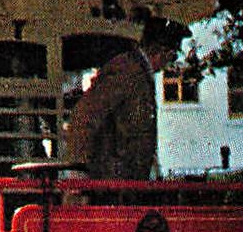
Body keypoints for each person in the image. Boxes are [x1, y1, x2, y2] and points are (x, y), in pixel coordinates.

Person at [63, 16, 188, 181]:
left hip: (124, 181)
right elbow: (85, 115)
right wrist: (78, 172)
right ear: (162, 51)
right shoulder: (126, 71)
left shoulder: (137, 73)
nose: (169, 64)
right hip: (110, 182)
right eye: (172, 56)